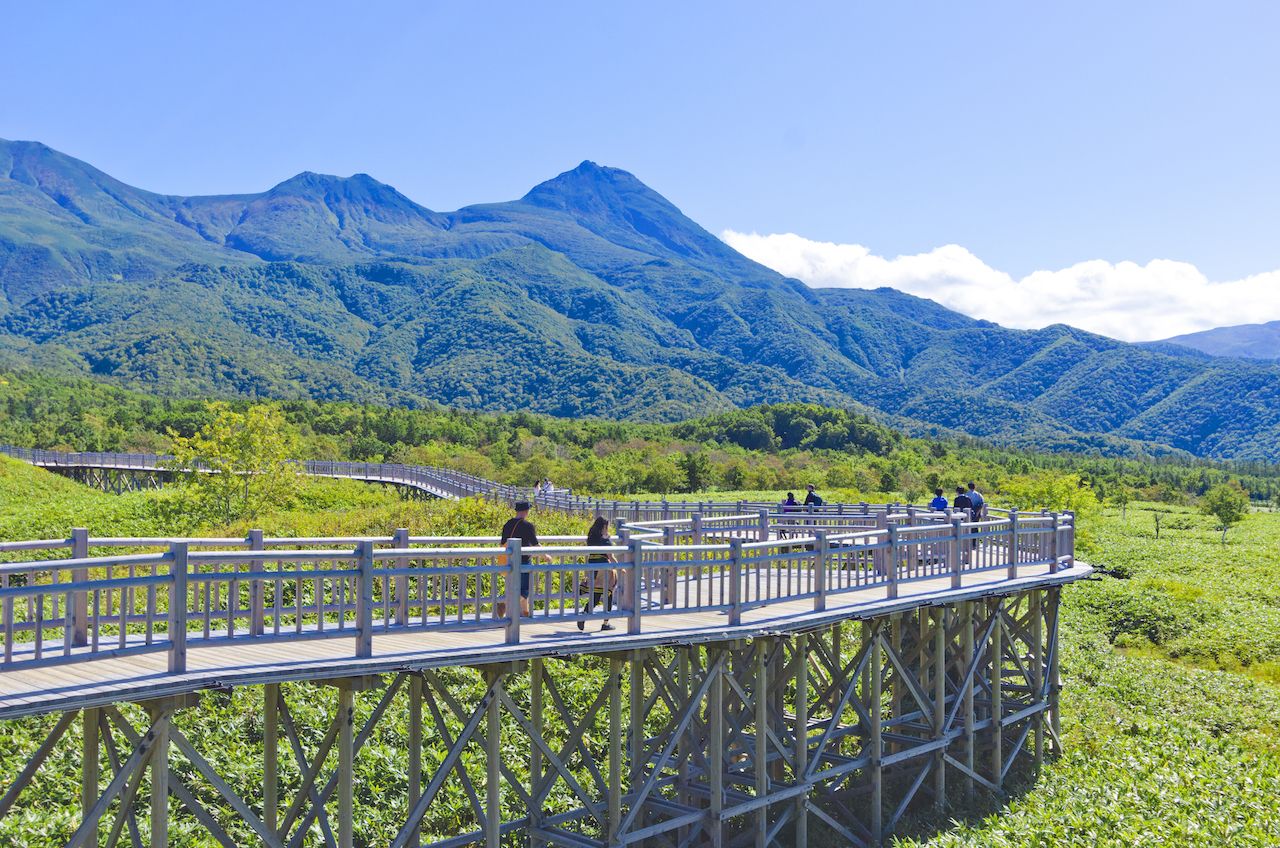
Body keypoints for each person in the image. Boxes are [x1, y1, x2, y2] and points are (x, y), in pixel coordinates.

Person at [499, 500, 542, 618]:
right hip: (523, 561)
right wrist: (546, 556)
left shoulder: (507, 524)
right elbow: (535, 544)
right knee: (525, 589)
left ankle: (524, 612)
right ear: (526, 511)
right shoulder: (527, 526)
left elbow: (503, 542)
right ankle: (505, 604)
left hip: (509, 560)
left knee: (513, 586)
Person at [578, 516, 617, 631]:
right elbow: (610, 556)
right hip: (604, 571)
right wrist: (620, 567)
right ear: (605, 526)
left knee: (595, 597)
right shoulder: (605, 540)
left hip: (592, 569)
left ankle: (584, 614)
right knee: (608, 595)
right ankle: (605, 623)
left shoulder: (591, 538)